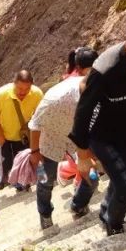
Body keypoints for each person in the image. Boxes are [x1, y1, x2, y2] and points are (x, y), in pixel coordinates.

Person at [70, 20, 126, 235]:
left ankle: (106, 211)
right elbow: (83, 110)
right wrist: (82, 153)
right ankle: (114, 224)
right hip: (101, 133)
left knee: (121, 180)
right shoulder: (106, 69)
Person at [28, 46, 99, 229]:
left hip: (76, 139)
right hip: (49, 142)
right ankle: (45, 215)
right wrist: (35, 152)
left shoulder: (93, 89)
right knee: (45, 182)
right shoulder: (56, 98)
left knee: (92, 176)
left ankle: (78, 205)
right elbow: (34, 125)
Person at [0, 70, 44, 190]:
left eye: (26, 89)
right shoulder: (1, 95)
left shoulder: (37, 93)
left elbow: (41, 113)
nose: (22, 92)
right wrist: (0, 134)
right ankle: (11, 181)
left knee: (23, 159)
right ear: (14, 84)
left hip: (22, 134)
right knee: (7, 162)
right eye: (19, 88)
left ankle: (24, 181)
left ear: (31, 86)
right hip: (1, 133)